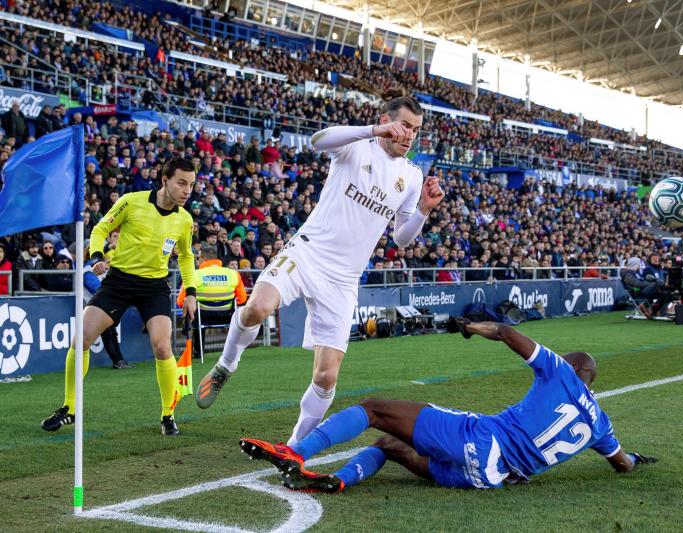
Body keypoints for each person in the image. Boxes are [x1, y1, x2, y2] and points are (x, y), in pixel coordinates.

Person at [198, 96, 445, 448]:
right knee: (257, 308)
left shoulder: (411, 175)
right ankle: (226, 364)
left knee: (326, 376)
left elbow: (402, 239)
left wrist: (422, 210)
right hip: (308, 252)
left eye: (416, 131)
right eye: (404, 125)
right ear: (385, 120)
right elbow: (318, 140)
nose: (409, 136)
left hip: (344, 279)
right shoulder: (357, 146)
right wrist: (374, 130)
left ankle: (296, 447)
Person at [240, 318, 656, 493]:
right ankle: (341, 480)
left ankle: (295, 452)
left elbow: (508, 333)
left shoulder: (560, 372)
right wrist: (636, 458)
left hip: (483, 441)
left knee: (375, 410)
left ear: (571, 366)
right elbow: (623, 464)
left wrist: (471, 328)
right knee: (390, 445)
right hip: (490, 478)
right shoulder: (600, 424)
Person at [40, 158, 198, 436]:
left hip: (154, 286)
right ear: (165, 180)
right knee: (82, 338)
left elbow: (185, 257)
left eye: (191, 185)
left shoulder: (185, 220)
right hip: (119, 282)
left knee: (162, 347)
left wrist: (191, 292)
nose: (187, 190)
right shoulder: (131, 201)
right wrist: (97, 256)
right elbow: (100, 229)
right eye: (181, 183)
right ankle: (70, 408)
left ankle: (167, 414)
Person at [176, 245, 247, 359]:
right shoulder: (233, 273)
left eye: (198, 258)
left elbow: (180, 301)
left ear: (203, 258)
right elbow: (242, 299)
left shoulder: (194, 274)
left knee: (194, 313)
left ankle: (198, 352)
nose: (197, 260)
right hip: (227, 315)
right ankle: (232, 351)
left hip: (202, 315)